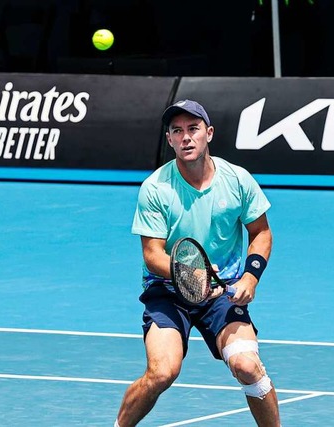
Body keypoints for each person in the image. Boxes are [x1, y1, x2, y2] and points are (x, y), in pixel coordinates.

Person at [114, 100, 281, 426]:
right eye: (178, 131)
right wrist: (191, 275)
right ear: (170, 139)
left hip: (223, 293)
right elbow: (152, 255)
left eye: (193, 129)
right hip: (168, 290)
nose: (186, 137)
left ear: (209, 133)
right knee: (162, 372)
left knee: (248, 367)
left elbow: (260, 233)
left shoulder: (237, 180)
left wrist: (250, 278)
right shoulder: (156, 188)